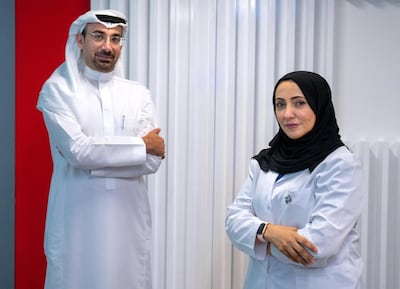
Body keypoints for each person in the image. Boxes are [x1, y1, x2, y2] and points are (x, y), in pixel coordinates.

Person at [37, 9, 165, 289]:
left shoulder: (138, 94)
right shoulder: (58, 91)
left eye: (115, 38)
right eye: (98, 36)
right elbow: (78, 152)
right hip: (76, 225)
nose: (108, 46)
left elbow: (152, 162)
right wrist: (139, 146)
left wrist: (98, 156)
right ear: (80, 40)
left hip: (127, 225)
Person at [225, 71, 365, 289]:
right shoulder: (265, 161)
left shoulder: (340, 164)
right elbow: (233, 220)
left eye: (299, 103)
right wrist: (269, 231)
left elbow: (316, 246)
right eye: (280, 104)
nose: (287, 114)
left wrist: (256, 239)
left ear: (319, 106)